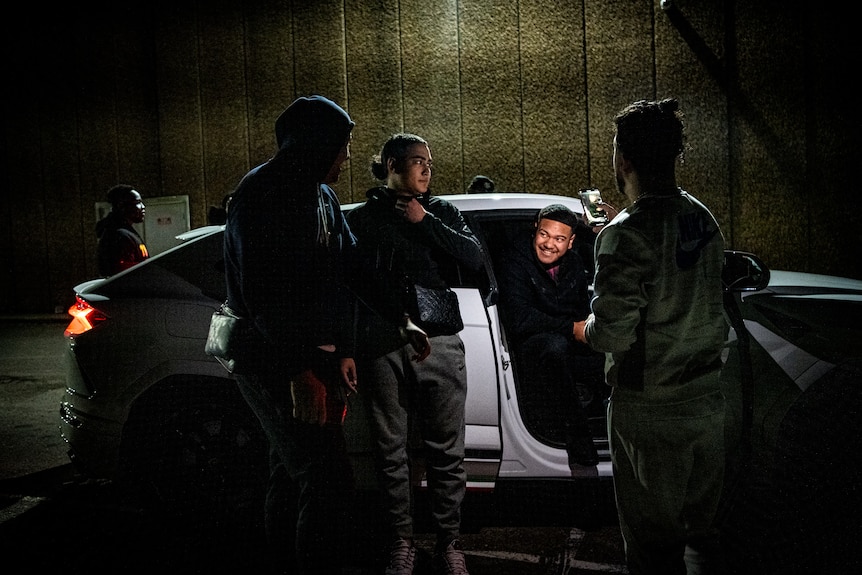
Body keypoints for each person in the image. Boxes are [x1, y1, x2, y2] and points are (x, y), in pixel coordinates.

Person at [573, 98, 726, 574]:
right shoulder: (699, 215)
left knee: (652, 549)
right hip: (707, 398)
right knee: (702, 540)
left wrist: (585, 329)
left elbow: (613, 334)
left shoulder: (625, 233)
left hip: (651, 409)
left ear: (624, 159)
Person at [222, 95, 359, 574]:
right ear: (316, 142)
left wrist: (341, 348)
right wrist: (299, 371)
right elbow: (264, 295)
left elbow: (344, 268)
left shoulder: (321, 195)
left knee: (290, 472)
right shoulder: (265, 192)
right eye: (343, 144)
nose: (348, 155)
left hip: (308, 358)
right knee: (327, 482)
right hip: (275, 360)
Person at [346, 133, 483, 575]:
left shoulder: (441, 210)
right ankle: (401, 543)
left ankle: (449, 542)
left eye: (430, 162)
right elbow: (353, 284)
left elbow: (474, 256)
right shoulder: (365, 218)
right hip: (382, 343)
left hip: (439, 338)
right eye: (417, 161)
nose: (426, 169)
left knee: (447, 449)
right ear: (390, 164)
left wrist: (424, 221)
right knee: (390, 451)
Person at [498, 204, 605, 470]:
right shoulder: (515, 260)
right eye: (544, 235)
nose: (549, 244)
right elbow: (519, 319)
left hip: (563, 338)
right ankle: (577, 433)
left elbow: (581, 309)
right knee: (553, 347)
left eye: (559, 239)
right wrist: (571, 328)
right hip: (530, 345)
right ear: (535, 229)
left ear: (570, 242)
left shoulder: (575, 263)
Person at [95, 184, 149, 276]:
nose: (143, 207)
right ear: (121, 206)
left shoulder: (124, 232)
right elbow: (123, 273)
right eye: (138, 202)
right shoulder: (119, 235)